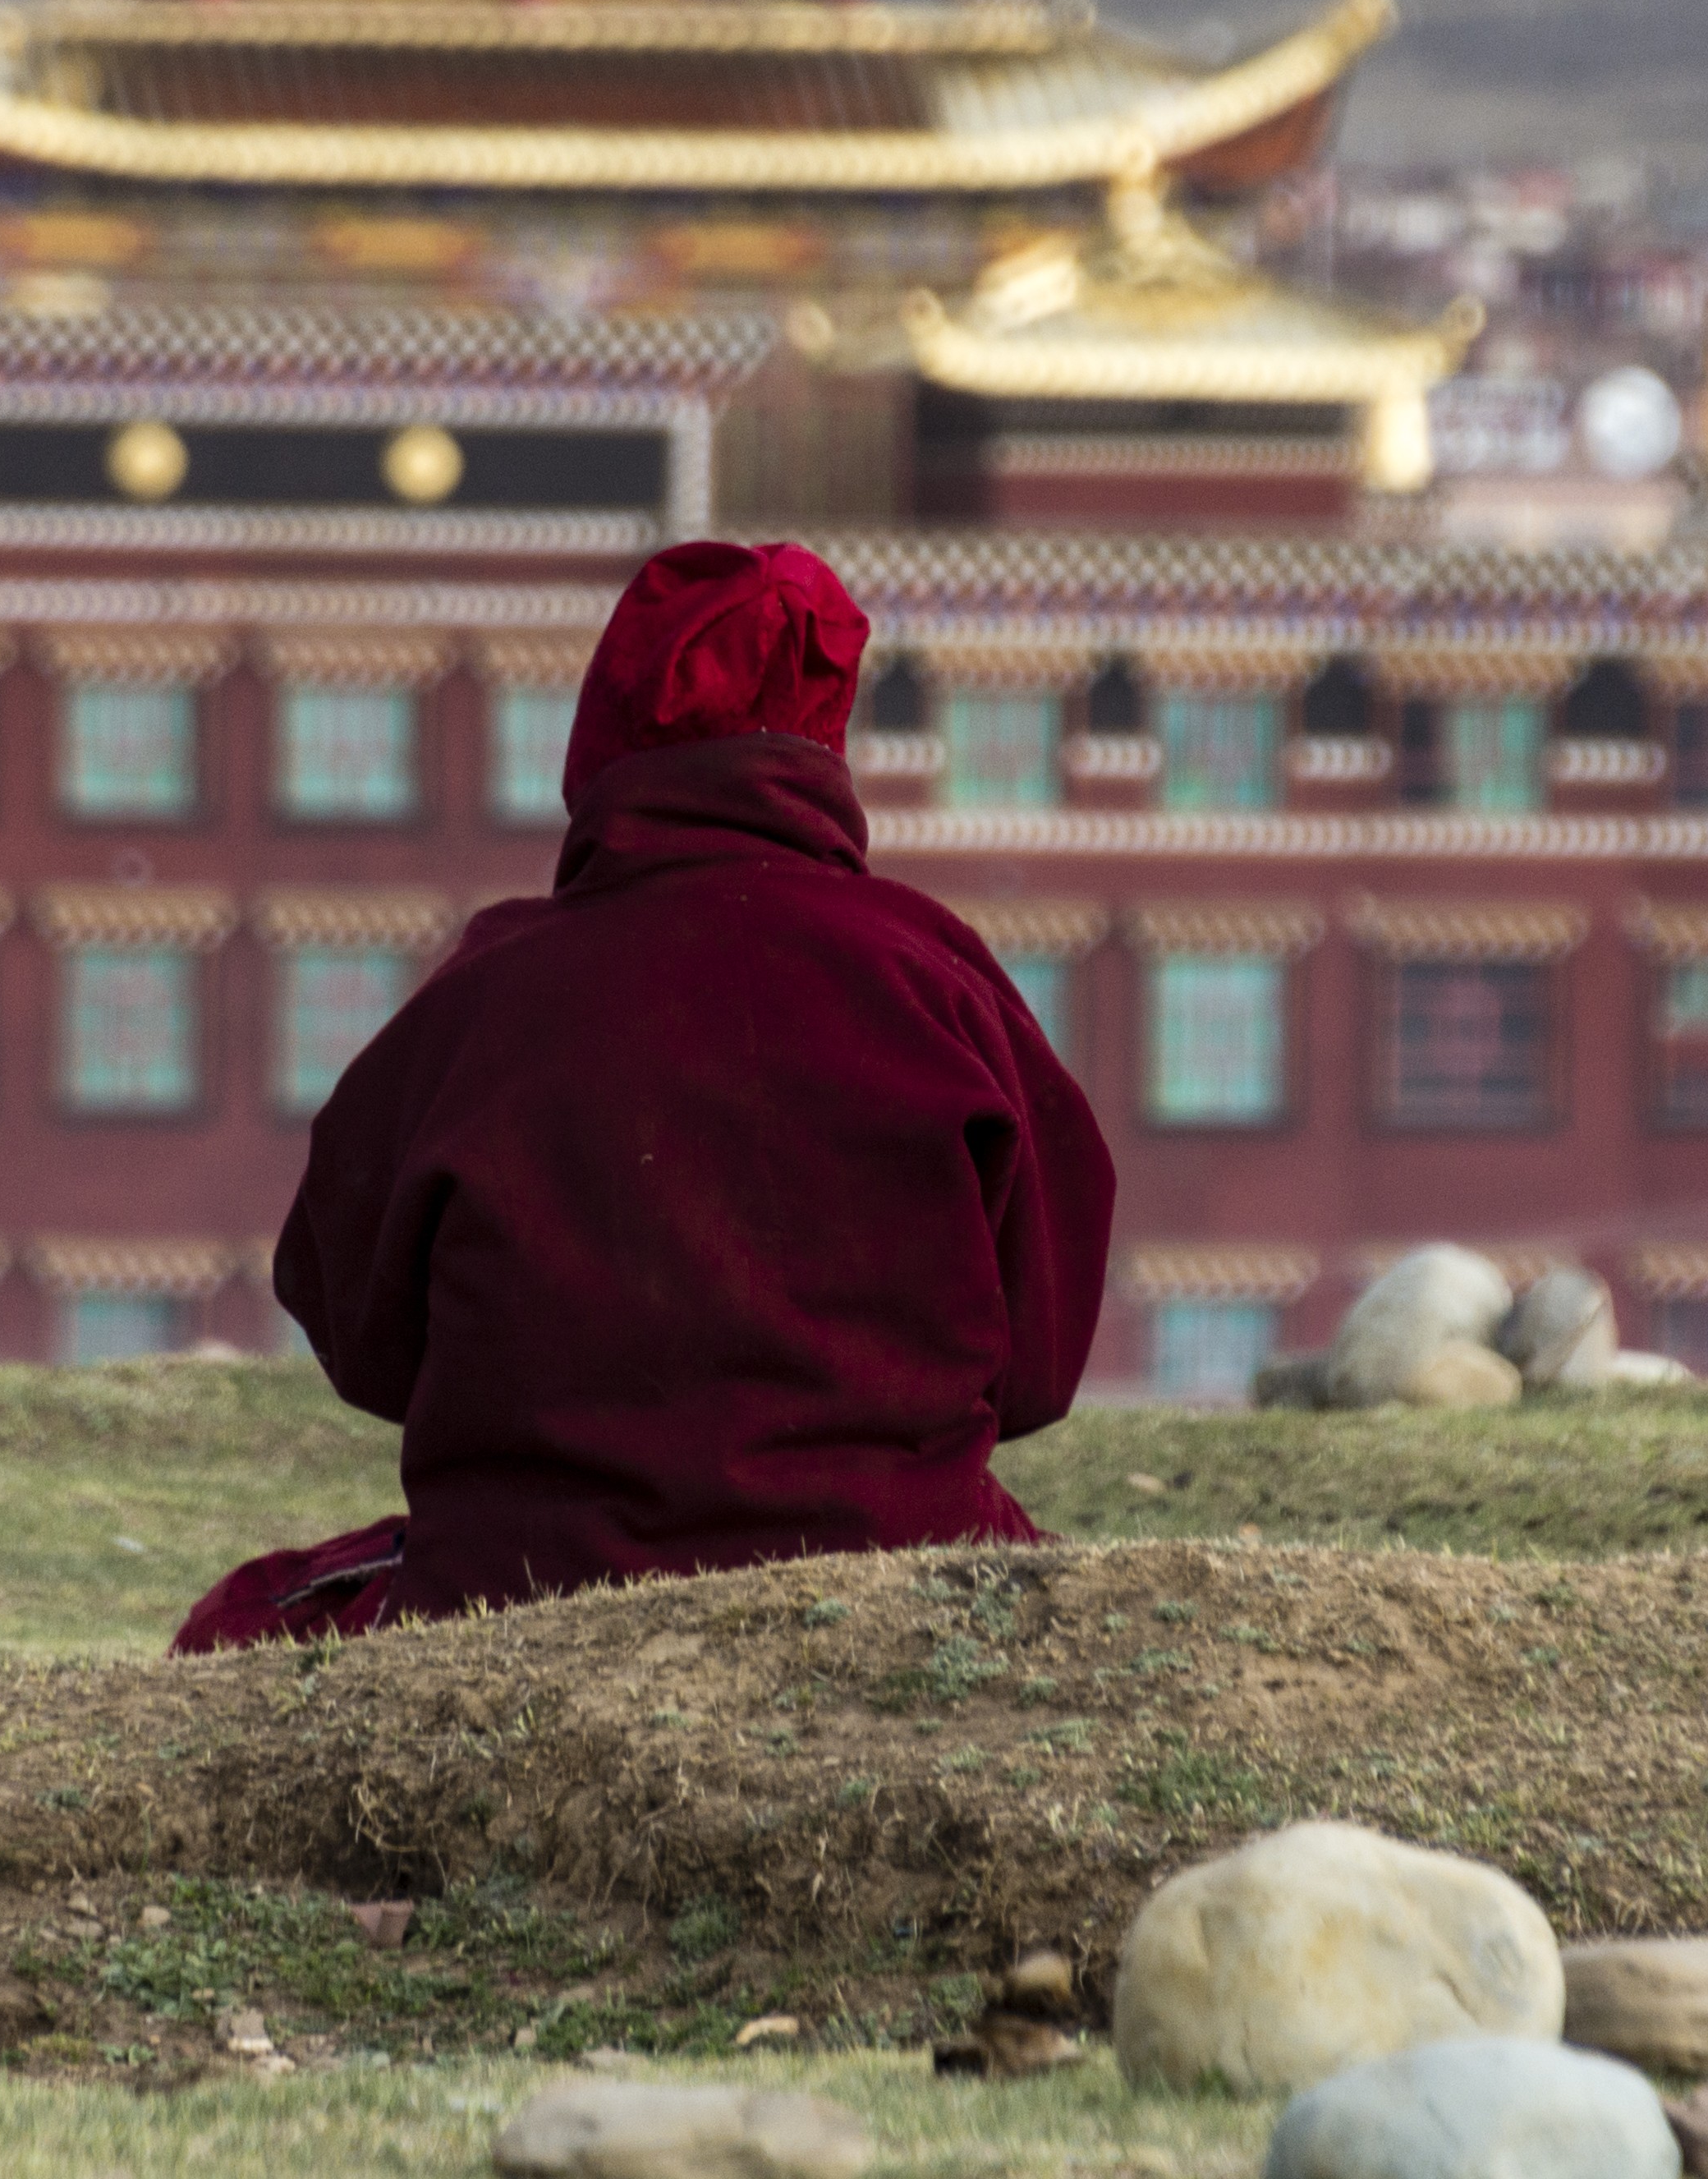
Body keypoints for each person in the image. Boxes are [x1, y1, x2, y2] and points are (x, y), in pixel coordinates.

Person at [173, 538, 1113, 1651]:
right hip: (894, 1551)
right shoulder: (937, 978)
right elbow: (1042, 1362)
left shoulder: (486, 995)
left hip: (530, 1575)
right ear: (828, 744)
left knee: (241, 1628)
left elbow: (353, 1322)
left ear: (602, 735)